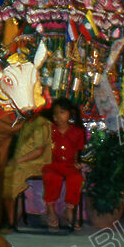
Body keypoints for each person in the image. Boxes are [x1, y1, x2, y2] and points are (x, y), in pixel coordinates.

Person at [41, 97, 86, 230]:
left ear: (69, 113)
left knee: (76, 178)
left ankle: (69, 210)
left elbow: (77, 152)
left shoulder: (77, 131)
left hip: (69, 166)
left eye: (62, 112)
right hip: (51, 165)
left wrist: (77, 163)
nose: (58, 117)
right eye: (55, 114)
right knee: (51, 177)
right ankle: (51, 210)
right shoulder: (49, 130)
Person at [2, 113, 52, 227]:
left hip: (37, 164)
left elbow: (39, 151)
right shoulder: (25, 122)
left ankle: (10, 222)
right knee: (2, 174)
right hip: (23, 163)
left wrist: (16, 161)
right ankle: (10, 218)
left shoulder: (41, 124)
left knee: (11, 177)